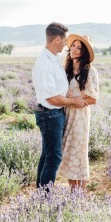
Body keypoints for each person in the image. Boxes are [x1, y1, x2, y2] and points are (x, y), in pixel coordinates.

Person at [32, 22, 81, 189]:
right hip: (50, 114)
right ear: (57, 40)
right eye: (66, 40)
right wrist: (74, 101)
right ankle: (45, 198)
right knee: (53, 158)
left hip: (53, 114)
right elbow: (52, 98)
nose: (68, 44)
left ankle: (40, 195)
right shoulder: (45, 63)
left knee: (47, 155)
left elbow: (56, 90)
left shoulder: (52, 60)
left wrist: (66, 92)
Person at [59, 34, 99, 189]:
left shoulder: (90, 72)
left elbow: (93, 99)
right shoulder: (65, 69)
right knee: (68, 153)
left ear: (84, 52)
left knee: (79, 154)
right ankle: (73, 192)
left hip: (81, 118)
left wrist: (75, 99)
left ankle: (80, 196)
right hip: (65, 115)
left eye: (79, 47)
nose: (75, 50)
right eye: (73, 46)